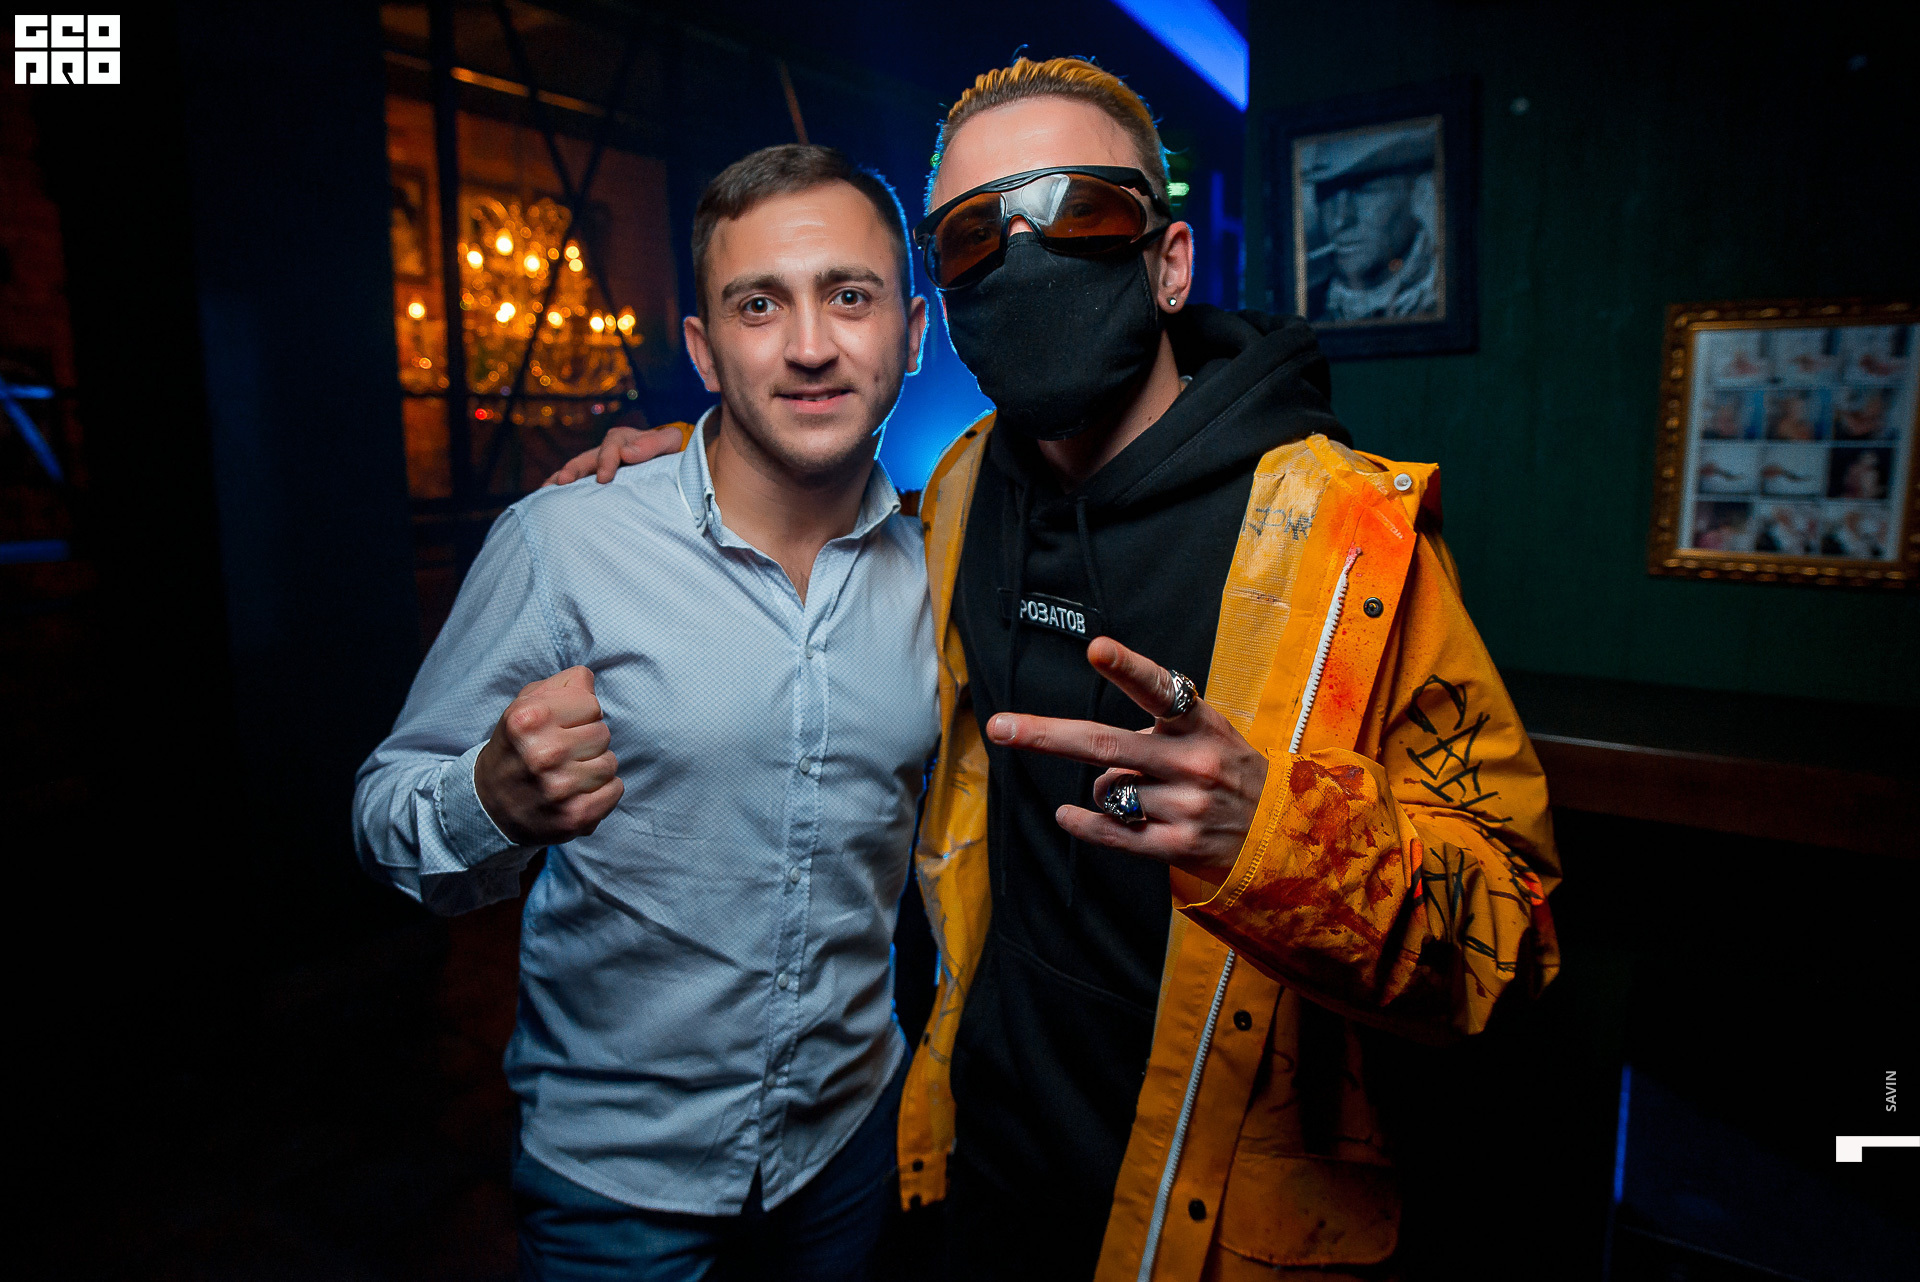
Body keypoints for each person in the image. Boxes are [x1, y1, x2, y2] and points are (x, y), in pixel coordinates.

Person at [557, 56, 1560, 1282]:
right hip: (974, 1171)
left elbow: (1512, 936)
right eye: (973, 236)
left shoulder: (1351, 542)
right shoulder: (961, 495)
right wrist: (714, 458)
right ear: (942, 297)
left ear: (1169, 261)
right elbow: (827, 520)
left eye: (1079, 210)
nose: (1023, 258)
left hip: (1209, 1220)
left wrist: (1276, 838)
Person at [354, 144, 936, 1281]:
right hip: (617, 1181)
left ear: (913, 333)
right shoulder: (567, 541)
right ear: (703, 350)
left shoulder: (940, 565)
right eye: (758, 305)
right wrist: (488, 800)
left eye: (849, 296)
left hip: (850, 1142)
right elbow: (383, 817)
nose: (809, 345)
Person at [1300, 123, 1439, 322]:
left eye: (1363, 191)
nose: (1340, 221)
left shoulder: (1450, 293)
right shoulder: (1307, 310)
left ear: (1419, 192)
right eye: (1326, 195)